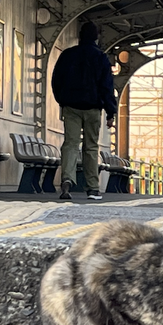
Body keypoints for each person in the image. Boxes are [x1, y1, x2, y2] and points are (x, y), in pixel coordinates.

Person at [51, 21, 117, 201]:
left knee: (70, 144)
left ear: (80, 37)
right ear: (96, 37)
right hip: (93, 108)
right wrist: (111, 112)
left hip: (71, 107)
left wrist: (63, 100)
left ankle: (67, 180)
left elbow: (56, 80)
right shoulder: (100, 57)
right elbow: (107, 86)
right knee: (91, 147)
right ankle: (92, 188)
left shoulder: (67, 55)